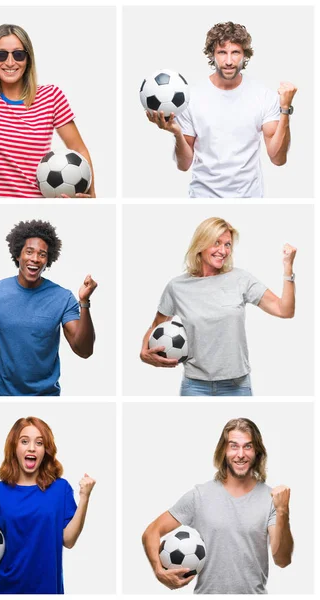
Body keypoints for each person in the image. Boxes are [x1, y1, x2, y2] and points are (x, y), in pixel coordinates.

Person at [140, 217, 296, 396]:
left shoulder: (241, 279)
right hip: (194, 386)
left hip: (237, 386)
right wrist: (143, 353)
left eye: (228, 245)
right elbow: (155, 327)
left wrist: (287, 267)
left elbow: (285, 310)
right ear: (201, 244)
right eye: (216, 243)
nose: (223, 251)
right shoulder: (177, 287)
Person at [0, 219, 97, 396]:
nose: (35, 259)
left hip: (47, 397)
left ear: (48, 260)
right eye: (29, 252)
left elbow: (84, 351)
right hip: (3, 396)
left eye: (42, 254)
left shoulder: (62, 297)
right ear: (18, 255)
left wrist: (84, 303)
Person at [0, 416, 95, 594]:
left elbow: (68, 540)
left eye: (39, 443)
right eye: (24, 441)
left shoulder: (60, 489)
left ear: (45, 450)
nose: (32, 447)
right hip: (5, 590)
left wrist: (84, 497)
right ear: (14, 447)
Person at [142, 418, 293, 593]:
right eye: (234, 446)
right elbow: (152, 531)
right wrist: (159, 572)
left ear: (257, 451)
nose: (241, 454)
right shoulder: (199, 496)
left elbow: (282, 560)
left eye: (248, 446)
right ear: (224, 451)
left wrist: (283, 511)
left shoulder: (271, 499)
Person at [146, 21, 297, 198]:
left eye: (235, 53)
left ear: (245, 55)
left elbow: (278, 159)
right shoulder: (191, 97)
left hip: (249, 198)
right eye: (222, 52)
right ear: (212, 54)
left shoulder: (263, 96)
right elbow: (183, 165)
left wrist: (285, 109)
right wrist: (177, 133)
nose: (228, 61)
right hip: (203, 197)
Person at [0, 23, 95, 198]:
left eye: (18, 54)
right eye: (1, 55)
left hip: (32, 209)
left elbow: (79, 149)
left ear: (28, 58)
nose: (10, 62)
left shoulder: (52, 96)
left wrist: (91, 198)